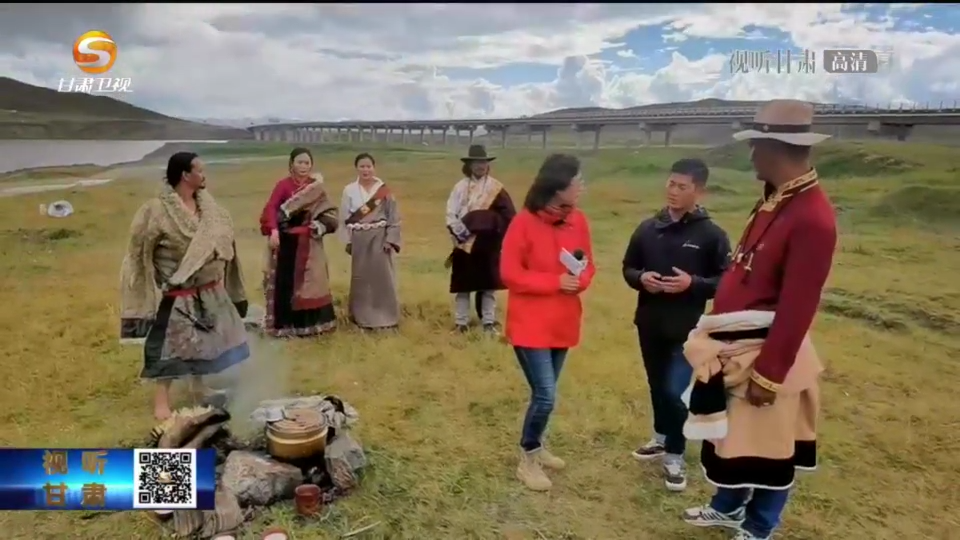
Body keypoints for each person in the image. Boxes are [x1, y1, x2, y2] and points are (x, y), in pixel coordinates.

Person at [680, 100, 835, 540]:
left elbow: (798, 305)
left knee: (770, 446)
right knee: (737, 441)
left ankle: (759, 526)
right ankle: (727, 508)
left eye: (755, 147)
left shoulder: (812, 217)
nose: (751, 156)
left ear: (774, 148)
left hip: (765, 354)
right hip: (737, 347)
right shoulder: (775, 200)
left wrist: (769, 375)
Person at [622, 158, 731, 492]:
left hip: (688, 328)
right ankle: (660, 437)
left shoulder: (711, 235)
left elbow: (726, 281)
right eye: (671, 183)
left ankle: (675, 454)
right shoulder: (647, 228)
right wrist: (642, 278)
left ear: (699, 191)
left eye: (682, 186)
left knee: (675, 391)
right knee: (657, 386)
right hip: (649, 322)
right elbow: (628, 267)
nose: (673, 191)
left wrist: (693, 284)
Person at [119, 151, 250, 420]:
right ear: (185, 175)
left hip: (209, 288)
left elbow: (222, 242)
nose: (204, 175)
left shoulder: (210, 209)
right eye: (200, 170)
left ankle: (198, 388)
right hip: (178, 290)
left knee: (205, 340)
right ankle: (161, 402)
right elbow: (138, 251)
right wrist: (144, 286)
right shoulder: (156, 211)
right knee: (170, 345)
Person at [500, 153, 595, 492]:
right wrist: (555, 282)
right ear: (557, 186)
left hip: (562, 322)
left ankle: (538, 445)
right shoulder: (523, 222)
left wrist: (579, 281)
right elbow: (510, 274)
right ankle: (527, 458)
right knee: (545, 396)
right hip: (530, 324)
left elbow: (589, 266)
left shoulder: (578, 220)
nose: (581, 186)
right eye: (576, 181)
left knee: (546, 393)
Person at [259, 147, 339, 337]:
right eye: (299, 162)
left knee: (312, 283)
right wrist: (273, 231)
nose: (303, 166)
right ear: (292, 164)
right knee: (286, 284)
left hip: (310, 242)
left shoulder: (316, 188)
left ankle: (314, 325)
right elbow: (271, 209)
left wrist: (318, 226)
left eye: (307, 163)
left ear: (311, 165)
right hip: (286, 243)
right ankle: (285, 326)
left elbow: (330, 212)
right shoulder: (283, 185)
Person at [445, 144, 516, 333]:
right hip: (464, 243)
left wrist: (492, 224)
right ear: (469, 165)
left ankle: (488, 322)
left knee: (488, 287)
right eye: (476, 162)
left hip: (488, 244)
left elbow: (509, 216)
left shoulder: (496, 188)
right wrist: (461, 234)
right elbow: (451, 213)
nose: (480, 166)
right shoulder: (459, 187)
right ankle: (461, 323)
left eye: (483, 162)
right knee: (463, 286)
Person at [339, 152, 402, 329]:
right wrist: (348, 241)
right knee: (361, 279)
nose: (365, 170)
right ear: (357, 168)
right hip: (359, 239)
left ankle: (387, 317)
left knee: (383, 278)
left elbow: (394, 216)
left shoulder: (383, 190)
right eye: (362, 166)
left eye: (368, 166)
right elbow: (344, 217)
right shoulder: (349, 190)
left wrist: (390, 239)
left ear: (374, 168)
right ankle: (361, 317)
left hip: (380, 238)